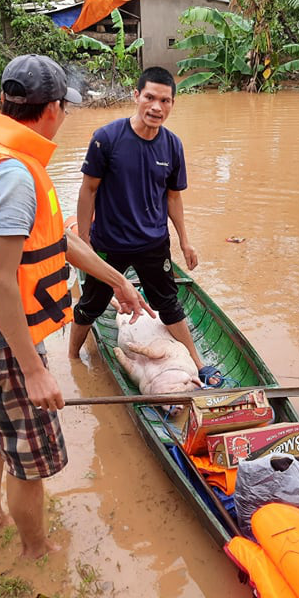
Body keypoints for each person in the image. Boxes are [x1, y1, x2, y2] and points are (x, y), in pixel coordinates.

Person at [0, 54, 154, 560]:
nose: (65, 114)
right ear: (51, 109)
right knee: (28, 465)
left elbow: (55, 240)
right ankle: (38, 553)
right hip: (5, 349)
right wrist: (33, 370)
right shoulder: (14, 177)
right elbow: (3, 283)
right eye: (65, 107)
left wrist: (117, 279)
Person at [66, 66, 223, 387]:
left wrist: (185, 241)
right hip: (109, 242)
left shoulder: (172, 145)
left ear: (172, 104)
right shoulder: (106, 139)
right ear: (136, 96)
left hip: (153, 243)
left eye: (165, 101)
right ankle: (72, 357)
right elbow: (88, 190)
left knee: (168, 302)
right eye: (150, 97)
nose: (156, 107)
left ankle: (198, 362)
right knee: (91, 305)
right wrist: (84, 241)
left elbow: (173, 198)